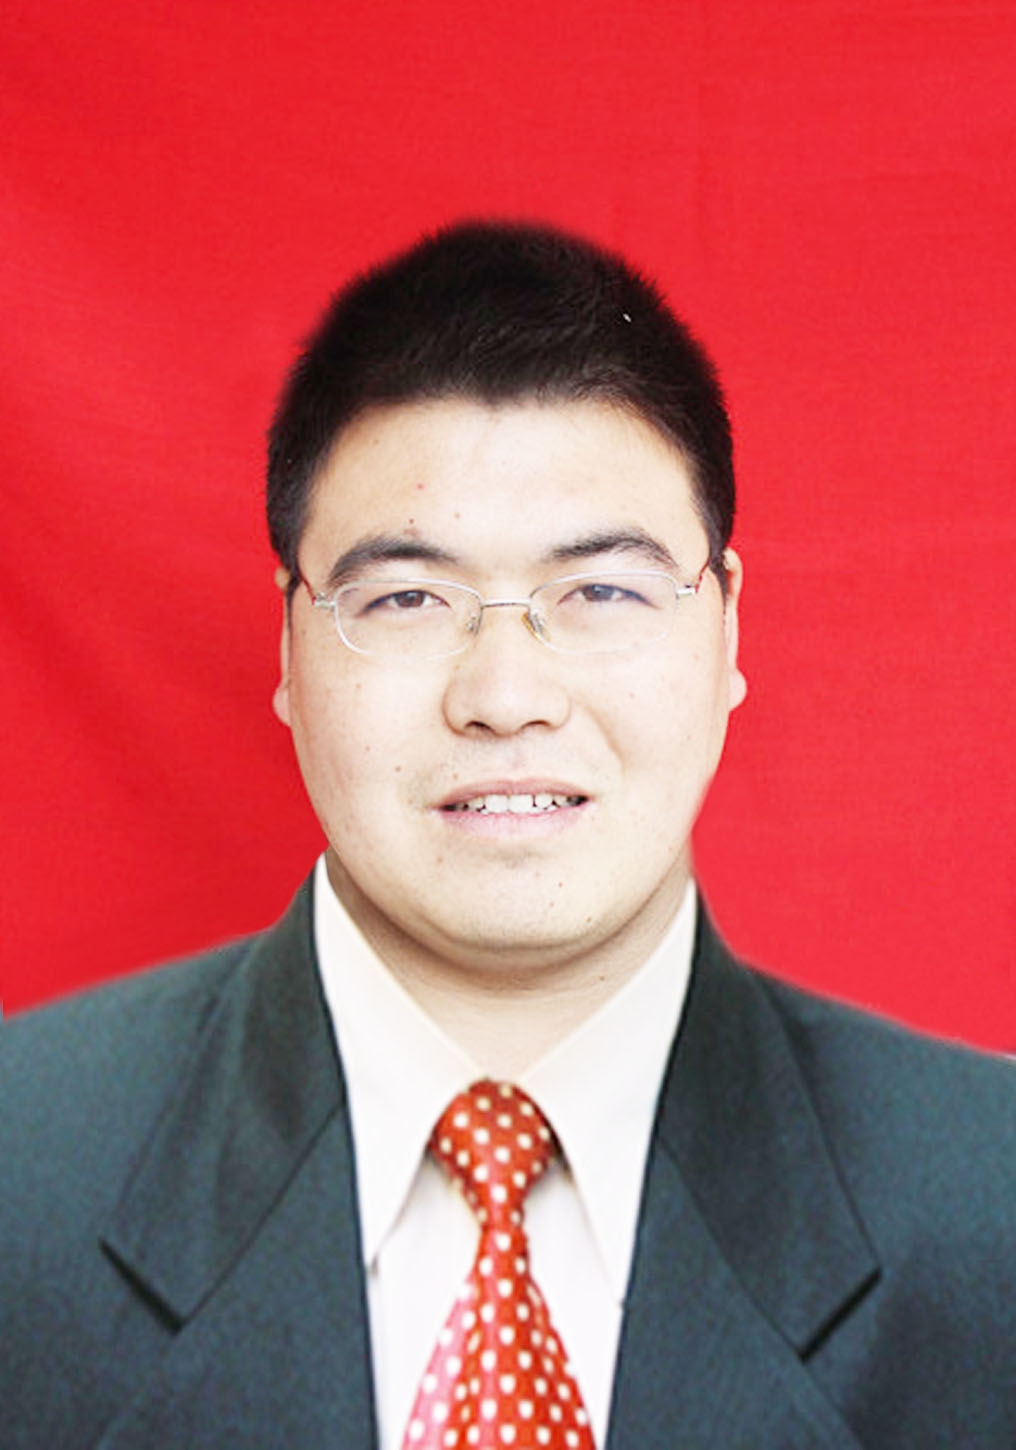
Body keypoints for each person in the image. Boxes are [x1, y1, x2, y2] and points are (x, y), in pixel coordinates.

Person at [2, 221, 1014, 1450]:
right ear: (289, 646)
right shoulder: (22, 1170)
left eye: (600, 591)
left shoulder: (990, 1204)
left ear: (725, 631)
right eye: (406, 598)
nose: (503, 694)